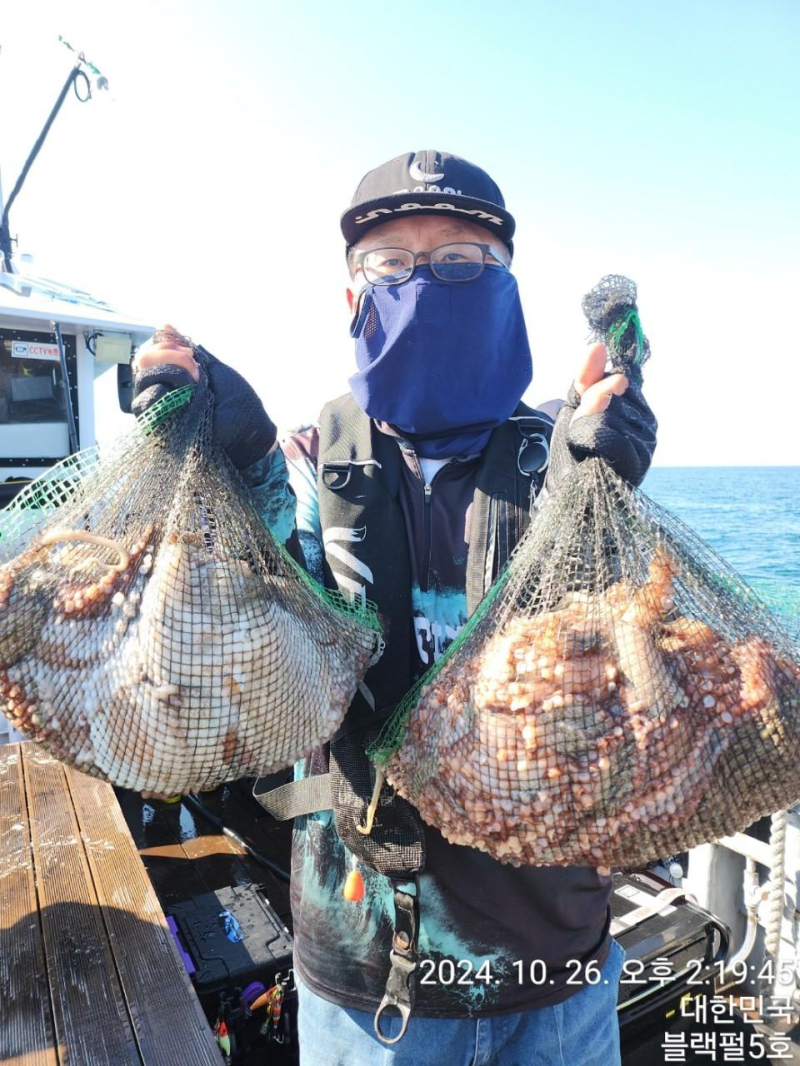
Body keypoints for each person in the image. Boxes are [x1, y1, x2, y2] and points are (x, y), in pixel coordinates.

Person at [132, 150, 656, 1065]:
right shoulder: (309, 462)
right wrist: (231, 455)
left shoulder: (563, 457)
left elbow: (630, 660)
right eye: (389, 263)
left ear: (505, 289)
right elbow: (254, 631)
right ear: (351, 302)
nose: (426, 281)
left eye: (461, 261)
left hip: (559, 970)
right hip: (368, 976)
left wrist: (608, 488)